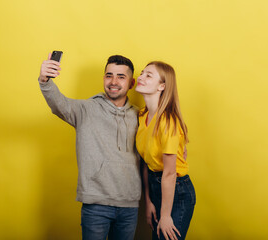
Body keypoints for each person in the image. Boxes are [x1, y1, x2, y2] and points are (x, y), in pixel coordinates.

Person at [38, 53, 141, 240]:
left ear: (131, 83)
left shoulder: (139, 116)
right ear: (104, 79)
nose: (113, 81)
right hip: (96, 205)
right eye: (109, 75)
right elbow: (59, 104)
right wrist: (45, 80)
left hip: (130, 206)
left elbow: (153, 147)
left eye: (121, 76)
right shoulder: (85, 109)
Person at [135, 61, 196, 240]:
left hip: (177, 191)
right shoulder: (142, 116)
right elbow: (146, 164)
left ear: (162, 86)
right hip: (156, 187)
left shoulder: (168, 122)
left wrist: (166, 215)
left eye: (148, 75)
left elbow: (169, 173)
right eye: (142, 73)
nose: (140, 77)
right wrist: (149, 202)